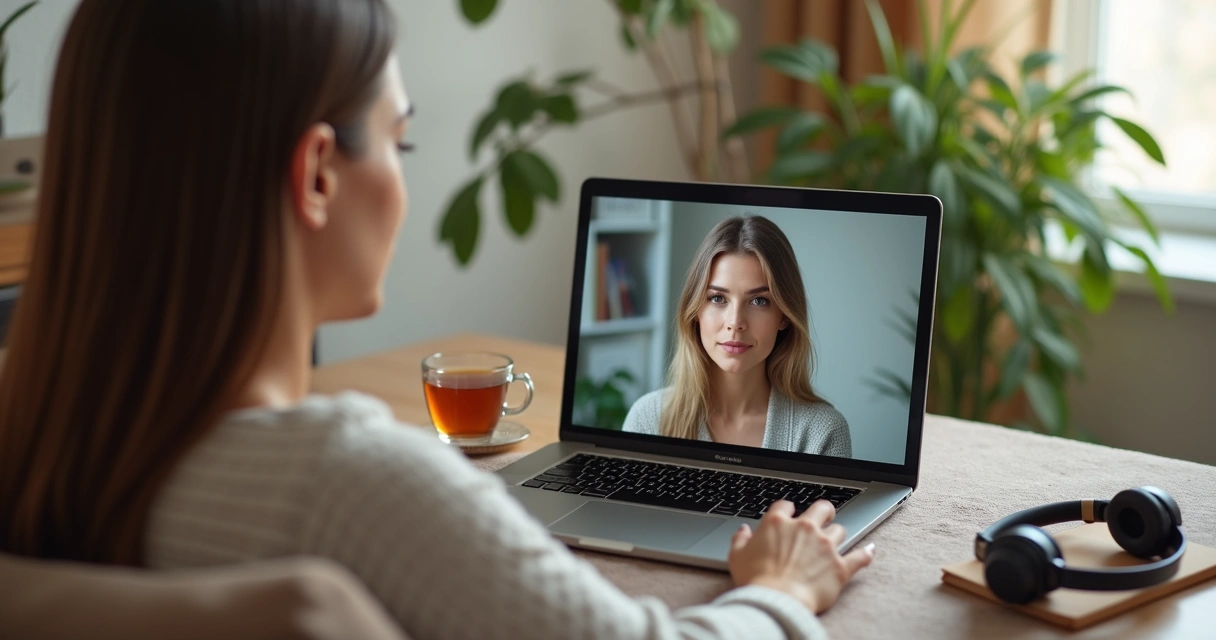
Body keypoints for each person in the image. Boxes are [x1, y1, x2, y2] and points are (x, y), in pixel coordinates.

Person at [0, 1, 874, 639]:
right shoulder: (353, 483)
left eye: (759, 299)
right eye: (400, 140)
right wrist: (784, 592)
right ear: (315, 174)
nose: (736, 319)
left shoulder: (39, 429)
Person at [623, 216, 852, 457]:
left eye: (758, 301)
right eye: (718, 298)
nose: (735, 323)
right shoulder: (648, 420)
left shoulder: (822, 432)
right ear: (695, 311)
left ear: (784, 315)